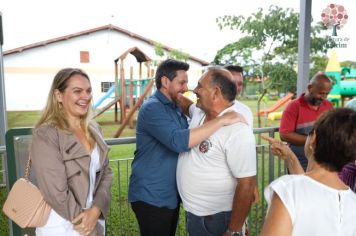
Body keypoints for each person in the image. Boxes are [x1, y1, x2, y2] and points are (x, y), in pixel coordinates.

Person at [128, 59, 245, 236]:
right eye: (181, 82)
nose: (186, 88)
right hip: (151, 196)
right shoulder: (152, 108)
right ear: (165, 82)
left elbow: (192, 113)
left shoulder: (174, 106)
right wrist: (222, 120)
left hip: (169, 197)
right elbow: (178, 141)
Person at [30, 68, 113, 236]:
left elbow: (106, 173)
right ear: (59, 95)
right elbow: (56, 193)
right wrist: (89, 226)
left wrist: (96, 210)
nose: (86, 97)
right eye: (77, 91)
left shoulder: (94, 128)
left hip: (93, 219)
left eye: (88, 91)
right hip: (62, 226)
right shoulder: (46, 134)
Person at [177, 67, 257, 236]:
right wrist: (170, 91)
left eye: (200, 86)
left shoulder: (237, 130)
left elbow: (247, 184)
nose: (195, 90)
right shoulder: (199, 111)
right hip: (195, 214)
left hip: (218, 219)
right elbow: (186, 105)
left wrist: (234, 230)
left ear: (215, 92)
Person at [261, 108, 356, 235]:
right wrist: (290, 157)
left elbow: (304, 189)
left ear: (313, 138)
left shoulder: (288, 190)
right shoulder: (352, 201)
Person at [279, 73, 333, 171]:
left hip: (324, 162)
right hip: (299, 163)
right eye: (321, 93)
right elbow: (284, 134)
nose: (323, 97)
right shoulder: (294, 106)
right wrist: (313, 140)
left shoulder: (328, 106)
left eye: (326, 94)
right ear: (310, 88)